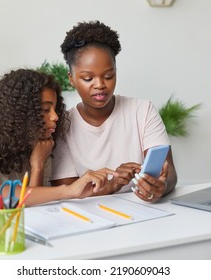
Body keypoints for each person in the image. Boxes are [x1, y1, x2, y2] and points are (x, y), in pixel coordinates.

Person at [0, 68, 117, 210]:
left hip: (9, 235)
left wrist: (37, 165)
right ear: (21, 113)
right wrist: (69, 190)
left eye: (55, 109)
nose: (55, 117)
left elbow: (29, 206)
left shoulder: (41, 148)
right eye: (45, 110)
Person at [50, 21, 177, 202]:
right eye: (88, 78)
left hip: (143, 212)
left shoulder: (142, 111)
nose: (100, 85)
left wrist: (160, 186)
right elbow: (67, 192)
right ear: (71, 79)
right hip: (90, 220)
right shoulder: (64, 125)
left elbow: (169, 173)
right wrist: (112, 184)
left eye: (108, 76)